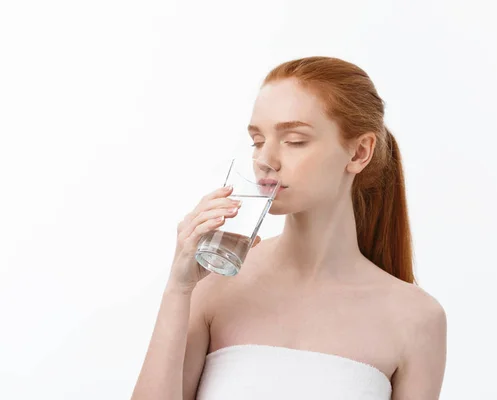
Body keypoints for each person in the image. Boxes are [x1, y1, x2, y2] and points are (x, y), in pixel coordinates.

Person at [131, 56, 447, 400]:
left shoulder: (416, 319)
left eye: (294, 140)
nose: (266, 160)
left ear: (359, 152)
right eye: (257, 141)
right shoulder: (215, 283)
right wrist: (177, 290)